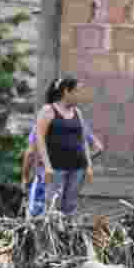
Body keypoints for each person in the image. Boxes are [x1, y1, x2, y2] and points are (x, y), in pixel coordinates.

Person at [33, 76, 94, 215]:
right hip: (56, 168)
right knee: (53, 206)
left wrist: (89, 165)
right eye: (77, 91)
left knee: (70, 206)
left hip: (77, 167)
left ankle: (68, 234)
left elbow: (83, 140)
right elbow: (40, 138)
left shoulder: (77, 112)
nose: (80, 95)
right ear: (67, 91)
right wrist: (47, 166)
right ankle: (49, 235)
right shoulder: (48, 110)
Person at [23, 122, 102, 217]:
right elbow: (99, 148)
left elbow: (30, 153)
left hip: (47, 178)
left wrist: (25, 177)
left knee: (37, 214)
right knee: (66, 215)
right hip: (72, 182)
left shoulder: (43, 123)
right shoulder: (78, 124)